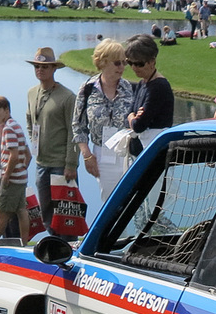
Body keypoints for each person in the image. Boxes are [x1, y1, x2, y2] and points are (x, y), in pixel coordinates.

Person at [73, 38, 137, 200]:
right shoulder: (87, 88)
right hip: (102, 153)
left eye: (124, 63)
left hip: (128, 152)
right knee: (109, 200)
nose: (122, 67)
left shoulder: (129, 87)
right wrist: (87, 155)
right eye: (117, 63)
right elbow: (78, 125)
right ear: (102, 62)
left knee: (132, 199)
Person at [24, 47, 77, 239]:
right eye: (37, 66)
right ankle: (53, 245)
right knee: (46, 209)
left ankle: (69, 248)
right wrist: (33, 143)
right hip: (41, 163)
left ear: (54, 68)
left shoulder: (67, 97)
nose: (40, 70)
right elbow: (30, 121)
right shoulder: (31, 93)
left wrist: (71, 164)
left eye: (45, 67)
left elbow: (74, 132)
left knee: (65, 212)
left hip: (61, 164)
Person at [125, 34, 174, 169]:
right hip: (139, 154)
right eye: (130, 62)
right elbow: (128, 115)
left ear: (152, 61)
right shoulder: (142, 83)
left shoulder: (158, 86)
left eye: (139, 63)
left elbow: (139, 125)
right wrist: (133, 116)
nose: (134, 67)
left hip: (154, 155)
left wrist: (134, 118)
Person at [0, 96, 31, 244]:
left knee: (2, 213)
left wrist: (7, 175)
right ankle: (23, 243)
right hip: (21, 178)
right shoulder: (16, 125)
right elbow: (27, 155)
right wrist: (23, 170)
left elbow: (14, 155)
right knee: (21, 210)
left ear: (7, 110)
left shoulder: (9, 128)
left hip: (12, 179)